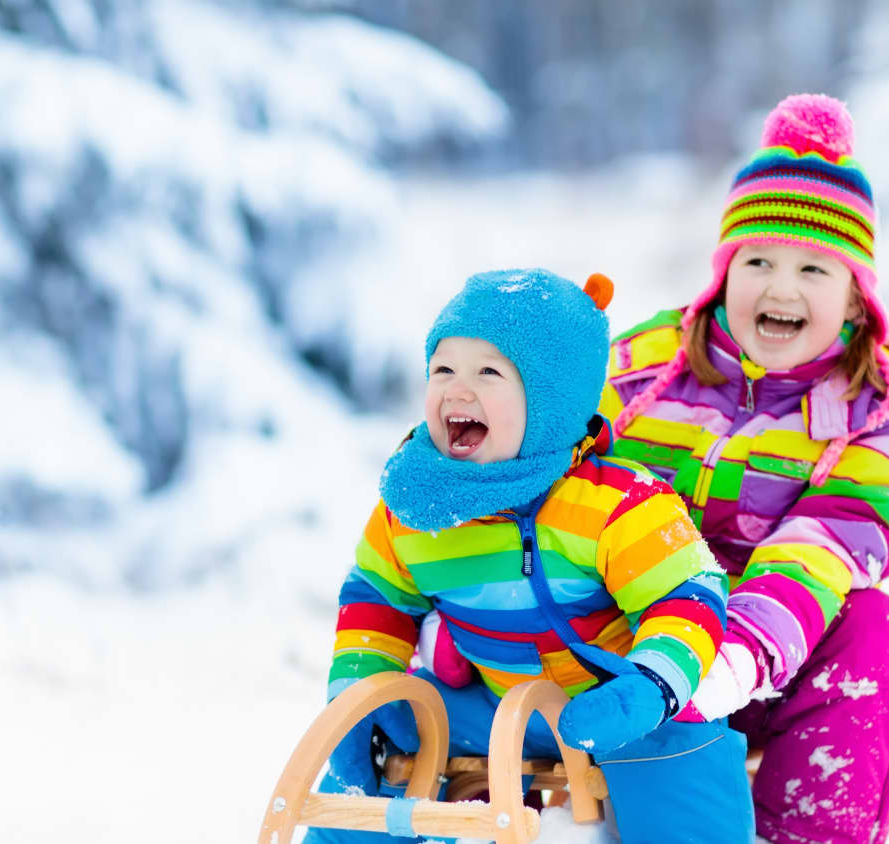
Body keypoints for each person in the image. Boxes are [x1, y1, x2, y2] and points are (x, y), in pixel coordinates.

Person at [309, 268, 754, 843]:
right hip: (493, 704)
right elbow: (376, 596)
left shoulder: (617, 502)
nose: (457, 390)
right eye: (442, 369)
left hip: (619, 704)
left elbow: (687, 595)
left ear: (551, 399)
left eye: (488, 372)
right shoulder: (416, 508)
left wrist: (650, 686)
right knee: (387, 742)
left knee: (681, 758)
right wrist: (358, 691)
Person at [599, 94, 889, 843]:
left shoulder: (874, 410)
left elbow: (826, 543)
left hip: (758, 660)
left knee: (882, 637)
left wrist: (731, 660)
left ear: (855, 298)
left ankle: (799, 833)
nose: (781, 289)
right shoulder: (640, 370)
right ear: (724, 276)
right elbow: (560, 463)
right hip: (612, 645)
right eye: (758, 261)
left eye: (815, 268)